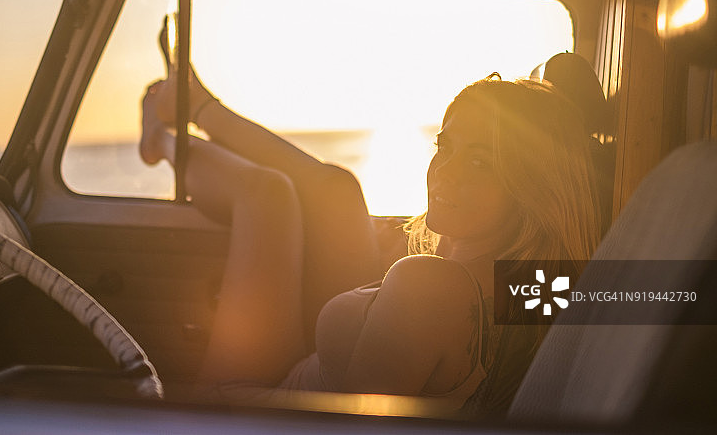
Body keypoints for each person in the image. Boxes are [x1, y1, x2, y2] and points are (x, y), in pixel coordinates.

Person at [139, 49, 602, 405]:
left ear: (532, 185)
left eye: (481, 161)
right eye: (446, 146)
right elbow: (646, 292)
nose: (446, 172)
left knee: (267, 194)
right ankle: (193, 106)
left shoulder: (429, 288)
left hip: (254, 405)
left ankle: (162, 136)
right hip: (321, 365)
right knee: (338, 190)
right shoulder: (541, 280)